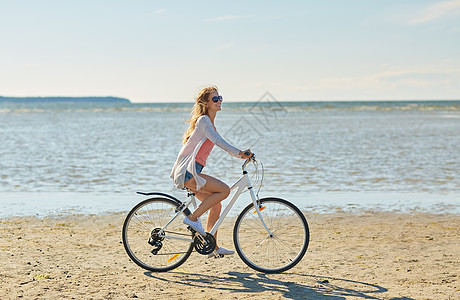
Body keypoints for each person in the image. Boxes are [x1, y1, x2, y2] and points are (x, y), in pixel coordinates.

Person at [170, 86, 252, 256]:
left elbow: (218, 141)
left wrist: (239, 155)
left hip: (191, 172)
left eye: (220, 97)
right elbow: (220, 142)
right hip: (188, 173)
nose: (219, 101)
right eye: (215, 99)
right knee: (224, 190)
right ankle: (192, 218)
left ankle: (212, 248)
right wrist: (240, 153)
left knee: (216, 205)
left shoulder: (209, 123)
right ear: (206, 104)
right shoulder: (204, 122)